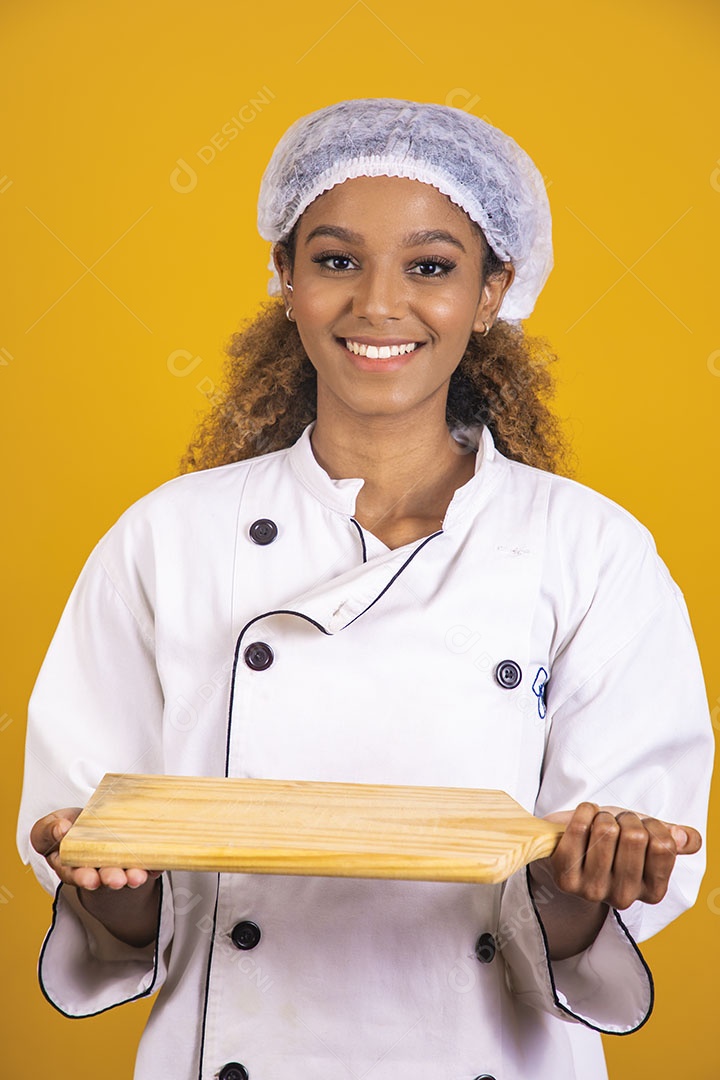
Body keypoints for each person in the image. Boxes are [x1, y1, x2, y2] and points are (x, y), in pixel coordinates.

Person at [17, 99, 712, 1080]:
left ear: (492, 291)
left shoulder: (593, 550)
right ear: (286, 281)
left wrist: (586, 879)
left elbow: (579, 914)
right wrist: (103, 877)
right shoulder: (167, 538)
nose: (379, 305)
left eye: (431, 266)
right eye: (337, 260)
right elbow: (108, 876)